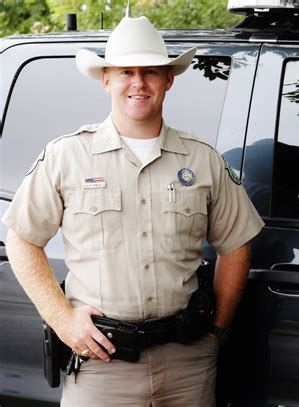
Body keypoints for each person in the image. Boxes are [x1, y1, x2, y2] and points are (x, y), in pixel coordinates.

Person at [2, 15, 264, 406]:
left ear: (168, 80)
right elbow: (22, 240)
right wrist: (63, 320)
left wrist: (217, 334)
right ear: (106, 79)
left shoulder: (202, 158)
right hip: (102, 363)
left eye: (150, 72)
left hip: (187, 363)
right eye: (126, 71)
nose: (138, 82)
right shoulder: (67, 156)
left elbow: (237, 243)